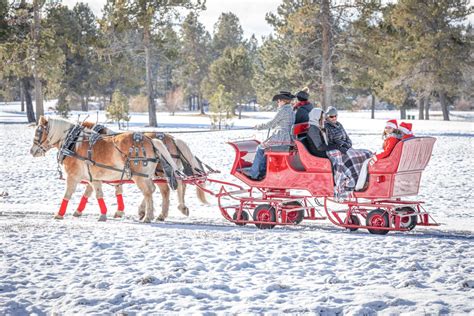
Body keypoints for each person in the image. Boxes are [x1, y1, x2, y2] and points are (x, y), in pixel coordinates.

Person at [243, 91, 295, 180]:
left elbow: (272, 123)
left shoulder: (283, 110)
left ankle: (254, 173)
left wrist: (258, 127)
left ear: (283, 101)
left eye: (278, 101)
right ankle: (262, 171)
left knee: (260, 148)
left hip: (280, 137)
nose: (277, 103)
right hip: (286, 138)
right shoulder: (290, 109)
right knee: (264, 149)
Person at [355, 119, 401, 191]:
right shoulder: (391, 138)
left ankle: (363, 184)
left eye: (390, 128)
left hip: (387, 161)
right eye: (386, 128)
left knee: (366, 164)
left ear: (394, 129)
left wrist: (376, 157)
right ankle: (365, 183)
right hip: (388, 159)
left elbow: (387, 152)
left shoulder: (392, 139)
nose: (387, 129)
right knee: (367, 162)